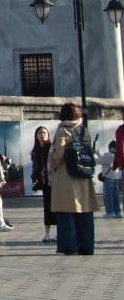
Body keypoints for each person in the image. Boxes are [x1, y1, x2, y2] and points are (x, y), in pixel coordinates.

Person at [48, 101, 97, 256]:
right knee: (85, 212)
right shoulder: (83, 130)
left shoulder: (63, 130)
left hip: (66, 176)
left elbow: (58, 155)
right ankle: (87, 246)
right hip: (83, 175)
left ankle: (70, 246)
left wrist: (53, 165)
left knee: (66, 211)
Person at [30, 125, 55, 242]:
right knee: (47, 208)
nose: (42, 135)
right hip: (44, 182)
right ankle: (47, 234)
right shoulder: (35, 151)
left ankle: (59, 233)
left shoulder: (51, 148)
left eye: (44, 133)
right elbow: (35, 167)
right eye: (40, 133)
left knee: (56, 207)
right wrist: (34, 179)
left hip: (53, 181)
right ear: (36, 135)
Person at [97, 141, 121, 217]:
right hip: (115, 177)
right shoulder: (117, 156)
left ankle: (110, 212)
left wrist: (93, 155)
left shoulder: (108, 155)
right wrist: (98, 154)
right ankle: (117, 212)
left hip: (108, 178)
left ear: (111, 148)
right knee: (115, 195)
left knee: (108, 196)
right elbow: (104, 161)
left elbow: (99, 161)